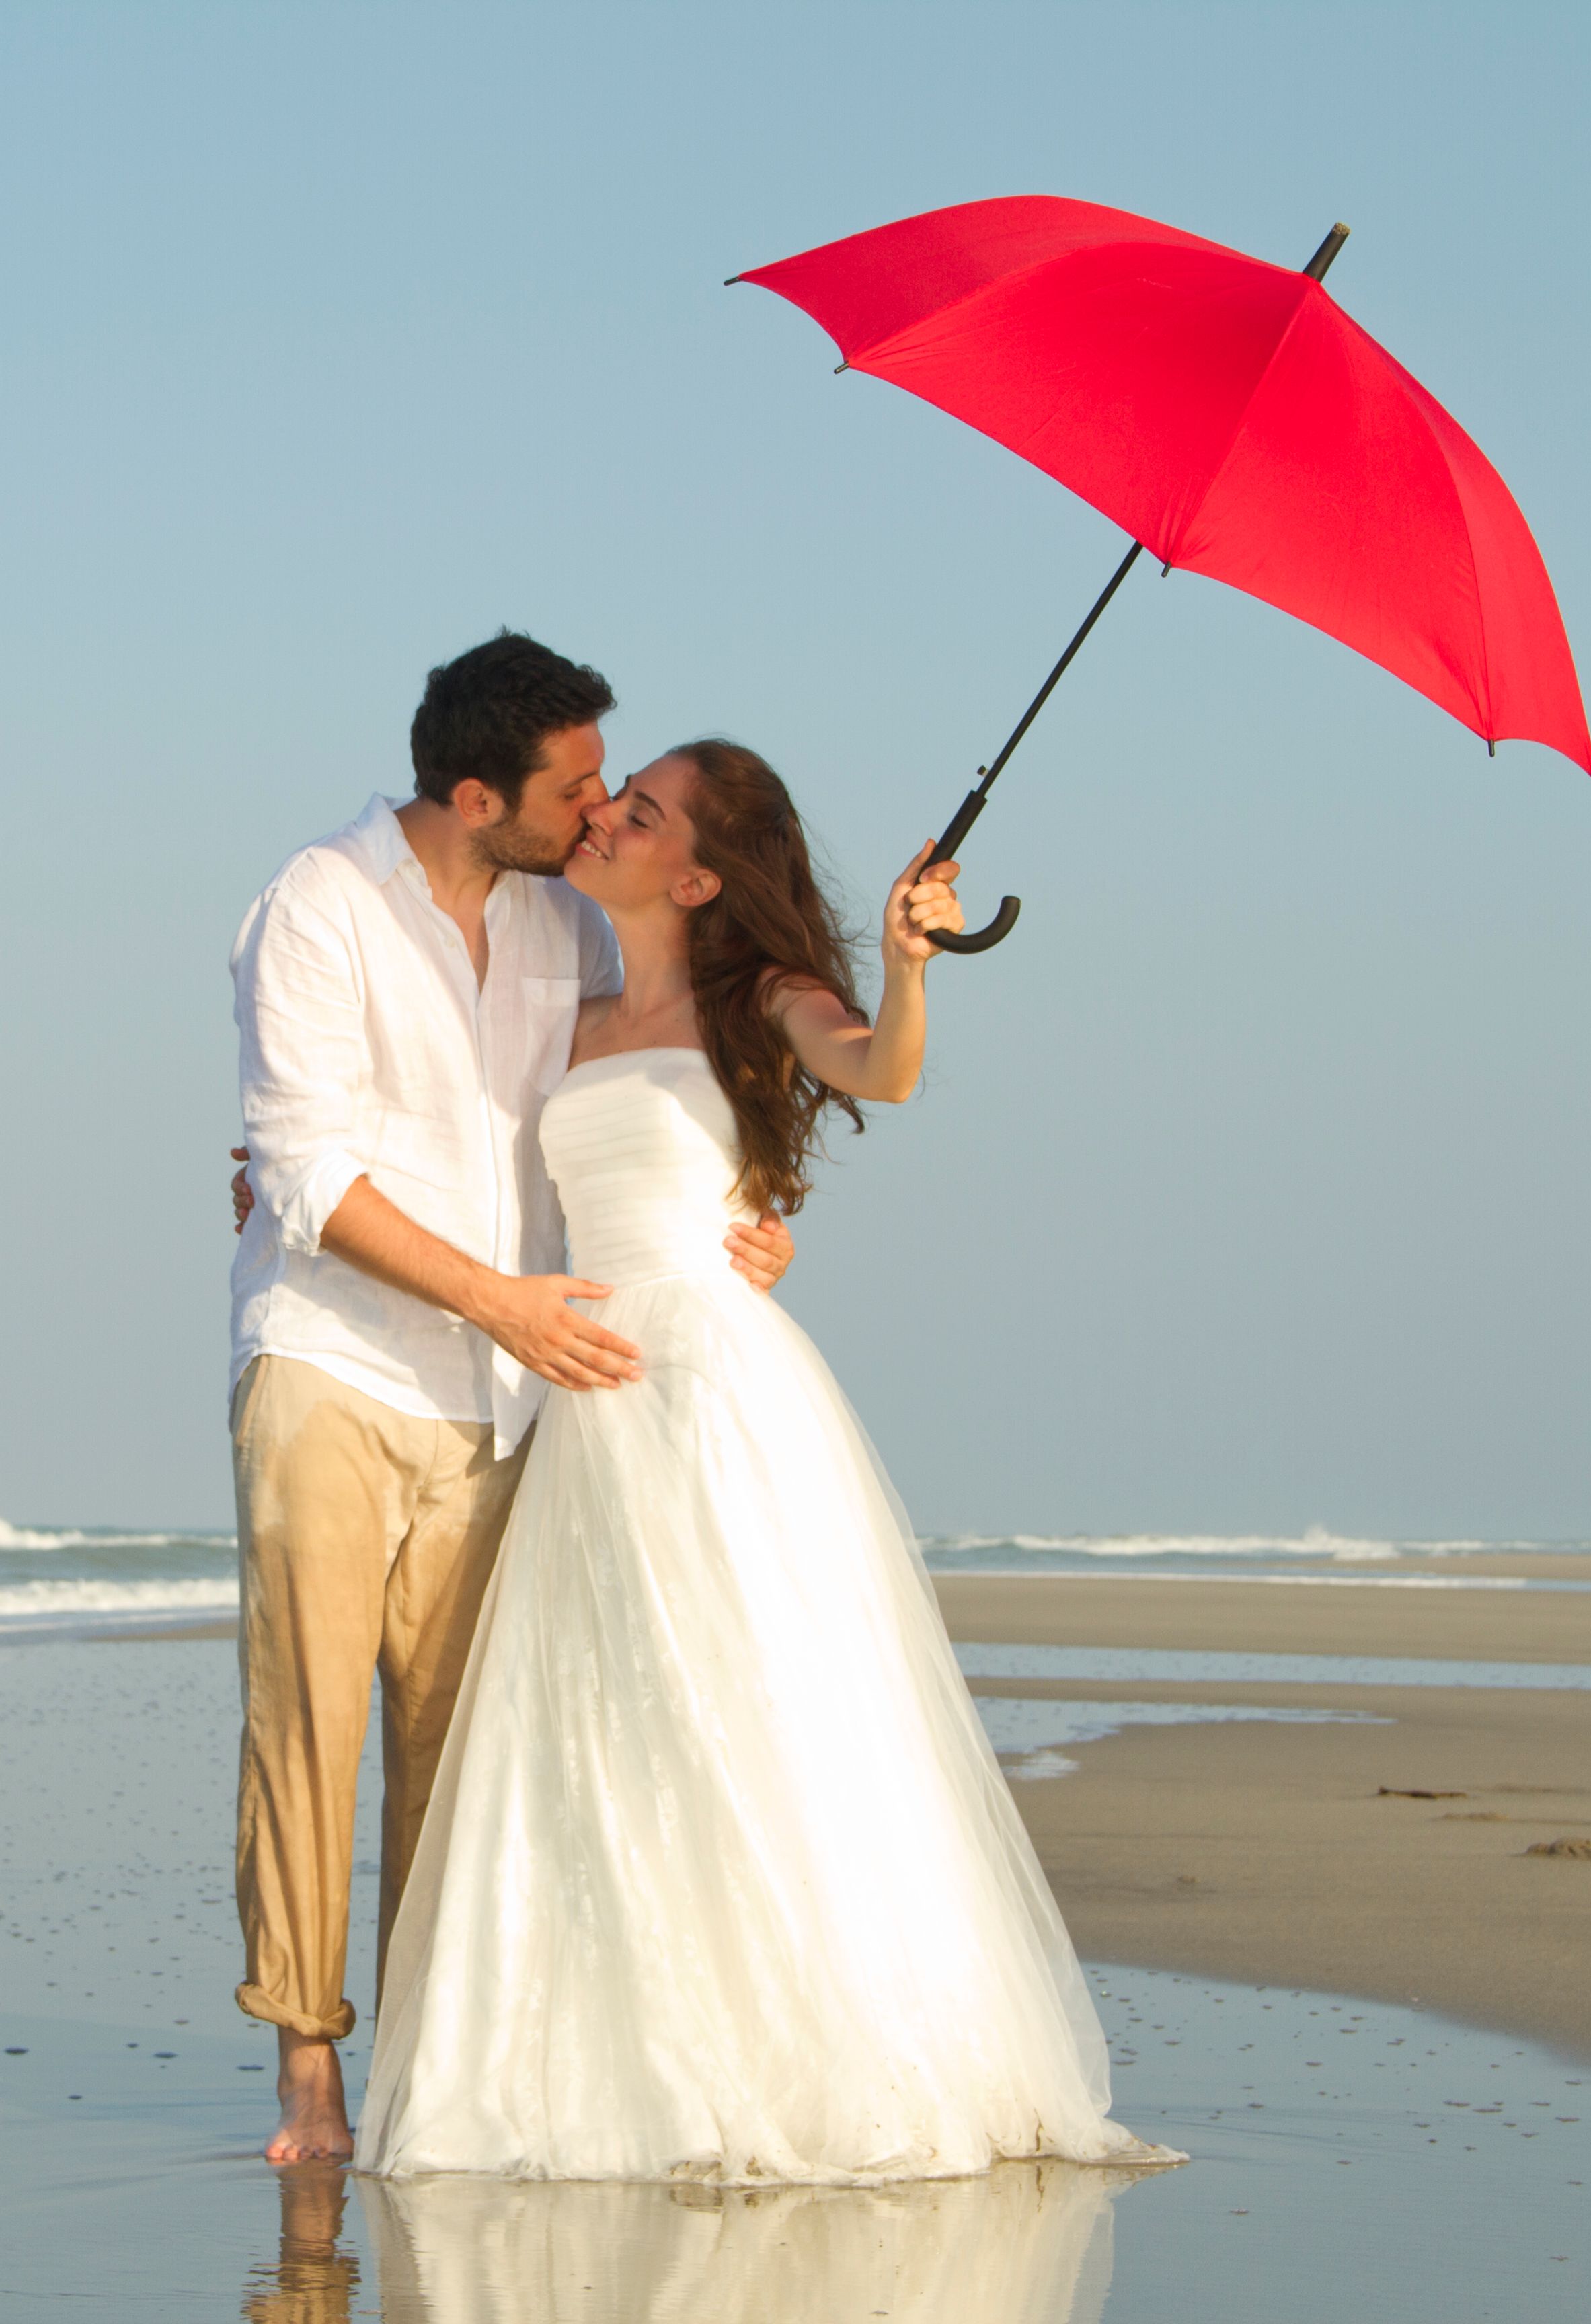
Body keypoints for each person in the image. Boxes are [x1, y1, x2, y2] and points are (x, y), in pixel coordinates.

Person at [354, 738, 1171, 2183]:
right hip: (587, 1391)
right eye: (617, 798)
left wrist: (912, 958)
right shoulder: (567, 1009)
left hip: (713, 1392)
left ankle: (809, 2049)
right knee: (604, 1736)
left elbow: (884, 1072)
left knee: (751, 1712)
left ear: (700, 874)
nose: (608, 816)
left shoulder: (761, 1002)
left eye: (644, 811)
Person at [228, 636, 796, 2167]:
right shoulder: (318, 907)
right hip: (332, 1369)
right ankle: (308, 2069)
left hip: (508, 1400)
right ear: (478, 794)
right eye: (577, 783)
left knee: (457, 1750)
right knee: (308, 1723)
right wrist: (499, 1301)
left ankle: (422, 2059)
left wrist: (744, 1210)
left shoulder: (570, 928)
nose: (600, 804)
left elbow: (681, 1062)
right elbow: (305, 1173)